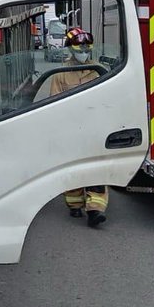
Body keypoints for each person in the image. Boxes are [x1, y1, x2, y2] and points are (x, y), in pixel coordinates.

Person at [49, 27, 109, 228]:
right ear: (70, 49)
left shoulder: (99, 70)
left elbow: (108, 100)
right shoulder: (61, 74)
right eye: (79, 47)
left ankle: (95, 210)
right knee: (73, 170)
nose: (83, 51)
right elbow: (54, 102)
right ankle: (74, 204)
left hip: (94, 129)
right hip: (72, 129)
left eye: (86, 47)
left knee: (96, 169)